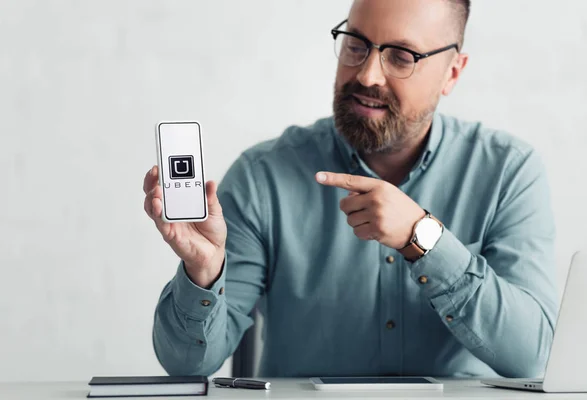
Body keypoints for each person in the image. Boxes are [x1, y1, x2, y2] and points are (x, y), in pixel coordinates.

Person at [143, 0, 558, 378]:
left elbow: (531, 356)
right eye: (356, 44)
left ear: (452, 73)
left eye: (401, 56)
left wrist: (423, 239)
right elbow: (185, 365)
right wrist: (203, 273)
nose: (366, 74)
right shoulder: (263, 176)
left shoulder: (508, 172)